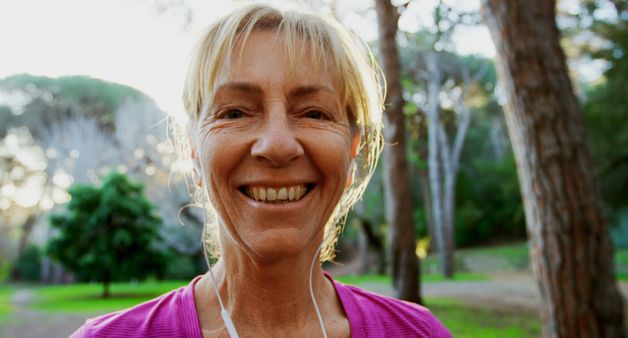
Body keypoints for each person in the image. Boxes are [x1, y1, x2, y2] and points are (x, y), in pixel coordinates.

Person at [70, 4, 451, 338]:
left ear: (352, 152)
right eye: (234, 112)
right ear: (195, 153)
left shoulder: (419, 333)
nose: (277, 145)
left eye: (314, 113)